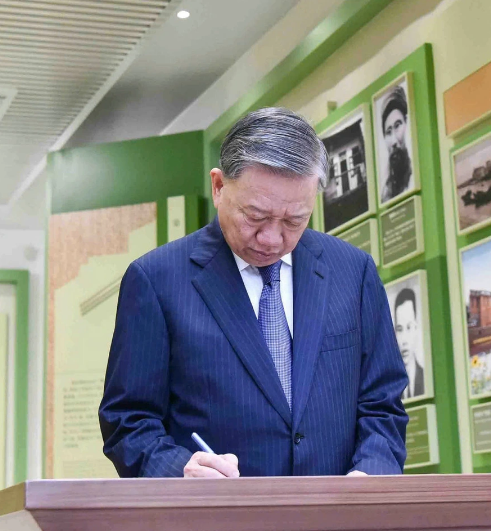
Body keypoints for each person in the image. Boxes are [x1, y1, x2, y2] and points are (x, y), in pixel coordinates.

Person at [100, 107, 408, 478]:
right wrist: (178, 469)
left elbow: (383, 404)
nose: (272, 238)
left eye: (295, 220)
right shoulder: (156, 280)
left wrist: (371, 474)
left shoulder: (354, 273)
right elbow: (128, 420)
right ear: (218, 187)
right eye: (255, 216)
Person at [380, 86, 412, 201]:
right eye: (388, 132)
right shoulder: (385, 193)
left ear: (407, 123)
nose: (393, 141)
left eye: (397, 126)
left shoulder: (415, 177)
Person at [393, 287, 426, 399]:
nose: (404, 340)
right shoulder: (390, 388)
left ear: (416, 328)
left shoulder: (425, 377)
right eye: (399, 329)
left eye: (409, 327)